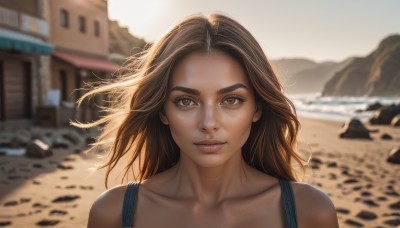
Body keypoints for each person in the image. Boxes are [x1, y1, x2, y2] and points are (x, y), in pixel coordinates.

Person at [81, 13, 339, 228]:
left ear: (257, 108)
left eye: (231, 100)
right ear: (162, 111)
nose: (209, 123)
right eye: (185, 101)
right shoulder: (113, 213)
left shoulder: (310, 211)